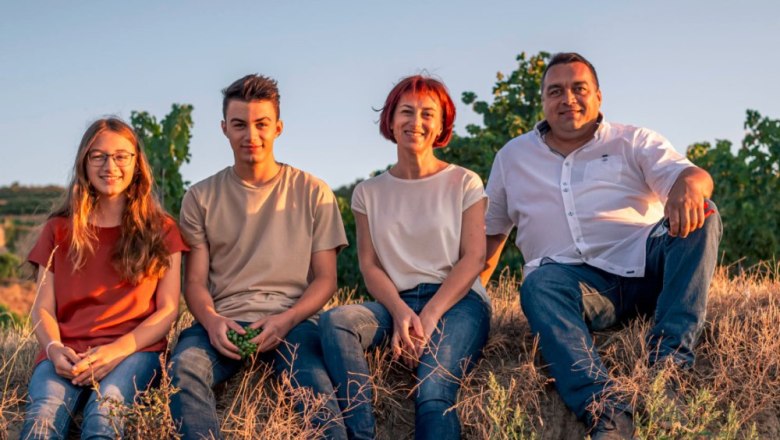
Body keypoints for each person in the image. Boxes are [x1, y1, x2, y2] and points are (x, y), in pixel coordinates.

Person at [481, 52, 722, 439]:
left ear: (598, 96)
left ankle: (667, 371)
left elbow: (692, 176)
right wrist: (471, 306)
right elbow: (490, 237)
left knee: (704, 214)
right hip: (576, 288)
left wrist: (691, 188)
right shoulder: (512, 157)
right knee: (538, 282)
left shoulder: (633, 139)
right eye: (555, 91)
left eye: (579, 89)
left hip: (647, 269)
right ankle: (606, 410)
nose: (568, 99)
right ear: (542, 99)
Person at [169, 74, 348, 439]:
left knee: (320, 405)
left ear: (278, 128)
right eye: (239, 125)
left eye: (261, 124)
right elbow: (195, 283)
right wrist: (213, 321)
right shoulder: (200, 197)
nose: (251, 135)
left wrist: (285, 320)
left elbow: (326, 279)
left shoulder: (314, 191)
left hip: (293, 324)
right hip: (223, 324)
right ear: (224, 129)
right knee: (183, 369)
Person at [320, 75, 491, 440]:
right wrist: (399, 312)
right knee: (336, 322)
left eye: (428, 114)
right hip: (396, 302)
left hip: (458, 302)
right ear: (391, 120)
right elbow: (370, 265)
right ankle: (361, 432)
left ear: (442, 124)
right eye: (407, 112)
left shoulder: (465, 182)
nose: (416, 122)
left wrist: (428, 317)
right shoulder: (368, 192)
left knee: (432, 389)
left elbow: (474, 258)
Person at [21, 118, 187, 439]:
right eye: (98, 156)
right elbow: (42, 306)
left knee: (104, 414)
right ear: (84, 163)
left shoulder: (162, 229)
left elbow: (167, 310)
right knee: (43, 416)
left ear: (137, 163)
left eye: (121, 156)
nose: (109, 165)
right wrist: (54, 349)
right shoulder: (58, 229)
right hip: (67, 353)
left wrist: (116, 350)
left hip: (135, 353)